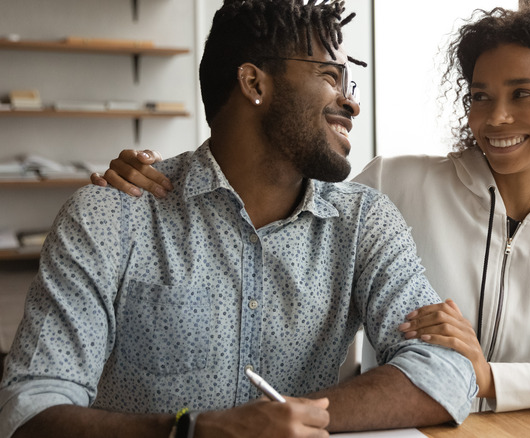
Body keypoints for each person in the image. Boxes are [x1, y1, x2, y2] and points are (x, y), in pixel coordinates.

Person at [89, 1, 530, 414]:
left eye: (522, 95)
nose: (495, 117)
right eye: (480, 97)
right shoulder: (392, 184)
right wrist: (158, 172)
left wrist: (497, 381)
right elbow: (267, 174)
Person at [0, 1, 477, 437]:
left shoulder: (363, 221)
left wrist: (286, 419)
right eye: (331, 76)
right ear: (254, 83)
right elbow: (29, 410)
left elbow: (448, 372)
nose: (350, 102)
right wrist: (198, 431)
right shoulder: (111, 214)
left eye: (350, 83)